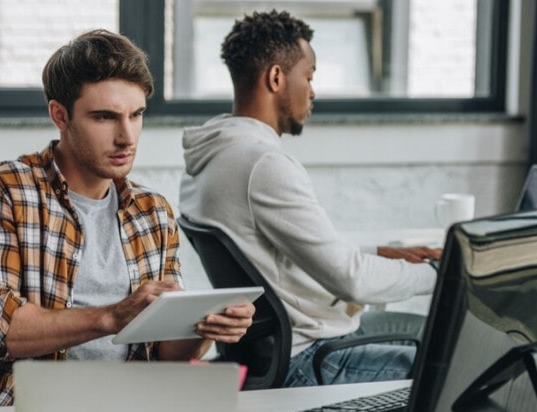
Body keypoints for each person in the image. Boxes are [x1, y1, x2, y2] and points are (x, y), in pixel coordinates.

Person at [0, 29, 255, 408]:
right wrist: (110, 317)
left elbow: (165, 352)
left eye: (136, 115)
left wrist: (206, 328)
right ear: (60, 115)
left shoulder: (151, 212)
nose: (126, 137)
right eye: (105, 117)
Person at [178, 10, 441, 387]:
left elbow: (284, 259)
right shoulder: (263, 165)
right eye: (309, 76)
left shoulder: (209, 158)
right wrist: (441, 272)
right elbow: (352, 281)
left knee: (427, 331)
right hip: (306, 359)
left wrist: (381, 251)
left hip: (270, 352)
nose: (313, 91)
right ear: (276, 77)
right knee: (453, 363)